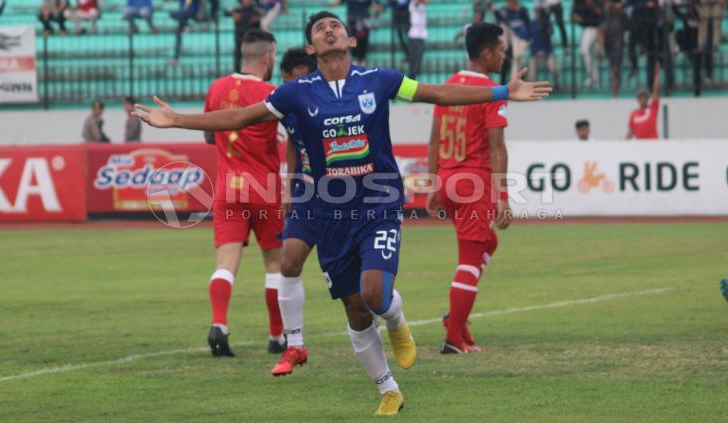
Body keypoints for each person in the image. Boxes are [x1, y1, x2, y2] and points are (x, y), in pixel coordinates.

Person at [133, 11, 551, 414]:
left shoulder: (379, 79)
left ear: (350, 40)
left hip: (378, 203)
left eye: (336, 25)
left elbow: (436, 93)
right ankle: (388, 390)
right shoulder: (297, 92)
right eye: (320, 28)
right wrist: (177, 120)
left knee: (374, 295)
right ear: (312, 47)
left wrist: (502, 91)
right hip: (329, 214)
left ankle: (397, 319)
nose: (329, 29)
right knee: (353, 308)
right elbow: (241, 116)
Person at [426, 22, 511, 354]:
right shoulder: (491, 91)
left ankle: (456, 316)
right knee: (470, 259)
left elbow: (433, 141)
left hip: (448, 181)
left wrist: (432, 185)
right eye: (501, 50)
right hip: (474, 183)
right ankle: (453, 337)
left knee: (489, 242)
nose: (504, 56)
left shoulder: (447, 87)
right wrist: (503, 197)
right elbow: (497, 149)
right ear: (487, 53)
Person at [201, 29, 286, 357]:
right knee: (274, 264)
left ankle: (219, 324)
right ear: (268, 57)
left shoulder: (216, 87)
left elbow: (209, 136)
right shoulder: (271, 92)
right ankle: (277, 337)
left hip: (227, 188)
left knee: (226, 263)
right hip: (263, 189)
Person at [270, 48, 318, 376]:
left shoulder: (332, 98)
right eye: (291, 79)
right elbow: (291, 143)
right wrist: (289, 187)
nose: (297, 85)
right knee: (288, 261)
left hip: (346, 197)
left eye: (302, 77)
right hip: (307, 194)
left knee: (360, 290)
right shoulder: (287, 106)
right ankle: (295, 345)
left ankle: (392, 321)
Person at [327, 0, 384, 66]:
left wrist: (379, 10)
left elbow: (375, 6)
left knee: (363, 42)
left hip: (364, 24)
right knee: (354, 41)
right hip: (353, 24)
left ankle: (362, 61)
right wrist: (329, 4)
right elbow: (338, 2)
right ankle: (355, 60)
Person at [496, 0, 531, 78]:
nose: (509, 3)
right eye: (508, 2)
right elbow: (499, 19)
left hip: (521, 39)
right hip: (509, 43)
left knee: (517, 59)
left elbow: (528, 24)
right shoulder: (504, 11)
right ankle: (504, 47)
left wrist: (528, 38)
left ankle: (515, 80)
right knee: (502, 26)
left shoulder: (522, 10)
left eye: (511, 2)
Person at [626, 62, 660, 140]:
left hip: (653, 144)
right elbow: (631, 131)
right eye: (640, 97)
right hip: (641, 146)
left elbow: (656, 91)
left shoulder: (652, 109)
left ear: (647, 98)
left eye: (644, 96)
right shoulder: (634, 113)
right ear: (638, 99)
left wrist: (657, 75)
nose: (642, 99)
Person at [572, 0, 602, 88]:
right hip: (586, 28)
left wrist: (592, 5)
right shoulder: (578, 2)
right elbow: (573, 14)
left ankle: (594, 77)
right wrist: (575, 18)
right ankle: (593, 76)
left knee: (586, 51)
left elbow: (601, 12)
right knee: (585, 51)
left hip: (598, 28)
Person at [227, 0, 263, 72]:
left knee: (254, 61)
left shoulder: (255, 10)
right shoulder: (237, 10)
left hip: (253, 41)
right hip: (240, 40)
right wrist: (233, 14)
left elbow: (264, 13)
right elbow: (226, 12)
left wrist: (258, 18)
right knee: (237, 61)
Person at [528, 6, 560, 87]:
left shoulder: (547, 22)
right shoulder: (531, 23)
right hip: (535, 53)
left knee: (555, 69)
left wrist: (545, 23)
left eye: (540, 12)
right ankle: (531, 88)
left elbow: (551, 32)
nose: (538, 13)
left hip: (547, 52)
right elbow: (528, 37)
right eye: (537, 11)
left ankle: (556, 85)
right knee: (530, 71)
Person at [168, 0, 200, 65]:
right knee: (178, 35)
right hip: (183, 15)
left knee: (172, 14)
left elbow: (188, 3)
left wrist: (186, 6)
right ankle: (175, 58)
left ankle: (187, 26)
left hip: (188, 12)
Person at [603, 0, 624, 97]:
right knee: (613, 67)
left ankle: (616, 90)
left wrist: (614, 6)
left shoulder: (619, 8)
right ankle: (615, 89)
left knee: (615, 67)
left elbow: (621, 9)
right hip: (608, 39)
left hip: (617, 40)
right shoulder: (605, 10)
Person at [407, 0, 427, 79]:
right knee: (414, 62)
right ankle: (411, 80)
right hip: (414, 36)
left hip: (421, 36)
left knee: (418, 62)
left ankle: (413, 80)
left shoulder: (422, 5)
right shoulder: (413, 3)